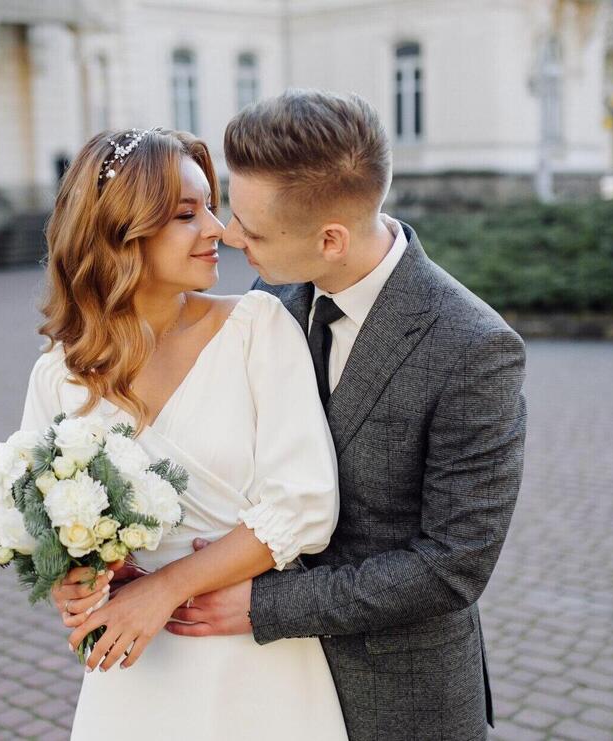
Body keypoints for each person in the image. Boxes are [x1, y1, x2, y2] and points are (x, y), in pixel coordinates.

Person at [58, 91, 528, 741]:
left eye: (250, 227)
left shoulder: (474, 348)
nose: (228, 234)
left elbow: (453, 563)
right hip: (246, 689)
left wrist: (263, 604)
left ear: (329, 239)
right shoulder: (269, 297)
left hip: (394, 695)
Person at [24, 127, 348, 740]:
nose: (219, 230)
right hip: (134, 664)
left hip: (254, 656)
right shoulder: (57, 376)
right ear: (121, 230)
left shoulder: (258, 327)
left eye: (210, 206)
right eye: (185, 214)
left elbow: (306, 505)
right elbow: (41, 520)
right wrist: (71, 578)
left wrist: (166, 589)